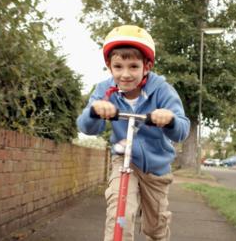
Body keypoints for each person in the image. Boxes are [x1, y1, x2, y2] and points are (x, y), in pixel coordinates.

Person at [77, 25, 190, 241]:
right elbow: (86, 127)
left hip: (156, 169)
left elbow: (182, 131)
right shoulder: (104, 90)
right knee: (120, 213)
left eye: (133, 66)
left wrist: (170, 119)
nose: (125, 74)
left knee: (156, 226)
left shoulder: (163, 90)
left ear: (146, 67)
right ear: (109, 67)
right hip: (124, 160)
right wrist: (95, 111)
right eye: (118, 66)